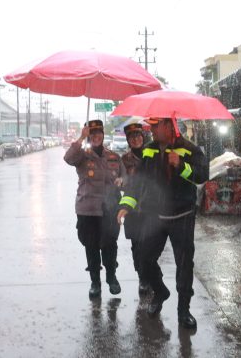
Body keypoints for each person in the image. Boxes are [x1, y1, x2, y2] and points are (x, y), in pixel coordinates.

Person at [116, 117, 209, 329]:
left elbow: (202, 176)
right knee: (144, 259)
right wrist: (126, 205)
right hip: (156, 215)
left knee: (184, 264)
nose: (152, 129)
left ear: (168, 126)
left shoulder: (189, 149)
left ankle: (183, 311)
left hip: (182, 216)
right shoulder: (149, 150)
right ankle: (160, 292)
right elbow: (138, 182)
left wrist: (181, 165)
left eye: (156, 126)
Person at [64, 120, 124, 299]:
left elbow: (125, 177)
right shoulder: (82, 156)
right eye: (92, 133)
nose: (96, 136)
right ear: (89, 136)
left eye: (99, 132)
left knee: (110, 245)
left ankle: (111, 277)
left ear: (103, 135)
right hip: (87, 210)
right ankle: (95, 282)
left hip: (109, 209)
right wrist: (81, 137)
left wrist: (122, 181)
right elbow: (68, 158)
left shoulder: (113, 157)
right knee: (91, 247)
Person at [118, 122, 150, 295]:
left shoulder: (152, 154)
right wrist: (121, 182)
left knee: (150, 245)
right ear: (128, 141)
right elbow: (120, 180)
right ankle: (142, 278)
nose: (136, 139)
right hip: (133, 209)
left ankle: (150, 275)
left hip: (152, 208)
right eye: (132, 137)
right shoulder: (124, 160)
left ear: (143, 137)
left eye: (138, 136)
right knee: (137, 246)